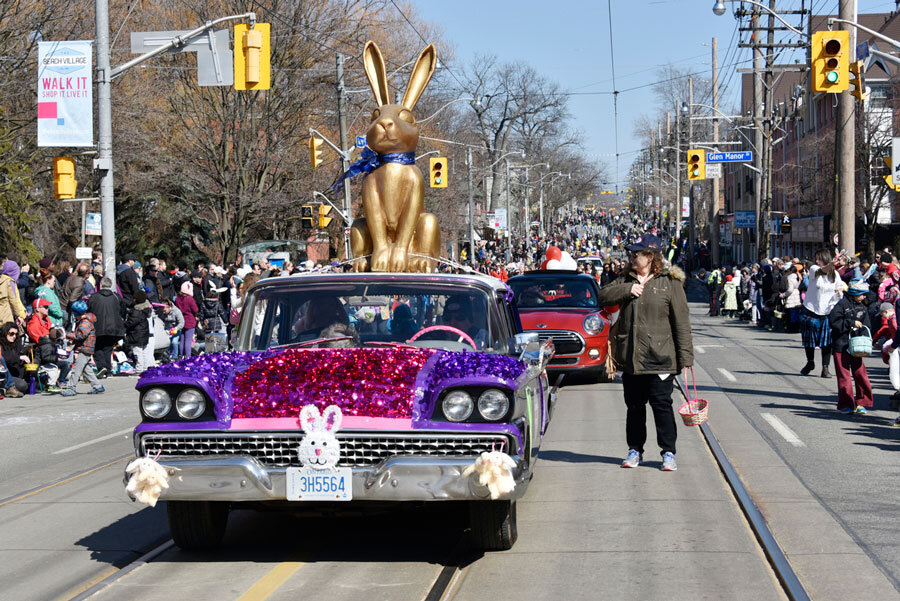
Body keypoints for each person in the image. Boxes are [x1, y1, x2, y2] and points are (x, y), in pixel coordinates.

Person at [596, 234, 693, 472]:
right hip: (631, 358)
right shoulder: (624, 279)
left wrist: (686, 358)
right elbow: (602, 296)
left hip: (661, 358)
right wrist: (628, 290)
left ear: (650, 256)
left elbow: (681, 323)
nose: (631, 257)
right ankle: (634, 450)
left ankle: (668, 453)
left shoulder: (669, 282)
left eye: (636, 253)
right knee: (635, 407)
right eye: (631, 253)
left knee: (662, 405)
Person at [829, 279, 873, 415]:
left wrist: (865, 338)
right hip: (840, 346)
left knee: (860, 374)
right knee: (844, 376)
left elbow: (867, 326)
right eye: (861, 294)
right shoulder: (841, 305)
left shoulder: (863, 308)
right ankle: (846, 404)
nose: (864, 297)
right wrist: (850, 323)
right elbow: (834, 322)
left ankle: (862, 403)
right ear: (854, 293)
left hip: (857, 347)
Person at [800, 249, 839, 377]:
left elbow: (840, 288)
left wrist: (839, 293)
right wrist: (832, 264)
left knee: (827, 342)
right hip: (811, 309)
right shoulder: (814, 269)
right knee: (809, 340)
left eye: (819, 258)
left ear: (825, 258)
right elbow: (822, 270)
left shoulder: (835, 275)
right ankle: (810, 362)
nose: (816, 261)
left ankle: (825, 368)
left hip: (827, 311)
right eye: (816, 258)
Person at [60, 301, 104, 396]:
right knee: (87, 370)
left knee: (76, 370)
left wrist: (66, 335)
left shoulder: (85, 323)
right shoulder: (84, 321)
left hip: (84, 349)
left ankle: (71, 387)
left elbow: (80, 336)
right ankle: (97, 386)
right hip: (87, 348)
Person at [87, 277, 125, 377]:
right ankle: (107, 370)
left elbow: (88, 310)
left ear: (100, 285)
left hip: (98, 327)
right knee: (108, 349)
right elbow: (123, 311)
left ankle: (102, 367)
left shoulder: (94, 297)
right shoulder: (116, 297)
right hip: (114, 328)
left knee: (97, 347)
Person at [126, 290, 153, 373]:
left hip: (136, 334)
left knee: (137, 352)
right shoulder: (146, 309)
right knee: (144, 351)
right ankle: (145, 368)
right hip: (144, 333)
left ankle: (139, 369)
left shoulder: (136, 312)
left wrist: (123, 324)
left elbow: (130, 323)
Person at [0, 321, 29, 394]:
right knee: (22, 385)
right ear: (5, 333)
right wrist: (19, 357)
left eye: (16, 334)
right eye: (11, 334)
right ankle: (7, 388)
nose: (14, 336)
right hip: (5, 375)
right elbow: (5, 359)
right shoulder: (1, 344)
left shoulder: (16, 343)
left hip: (15, 373)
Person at [174, 282, 199, 358]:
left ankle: (181, 355)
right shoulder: (190, 299)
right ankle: (188, 357)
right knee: (188, 341)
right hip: (190, 321)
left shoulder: (177, 298)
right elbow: (195, 309)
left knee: (182, 340)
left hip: (181, 320)